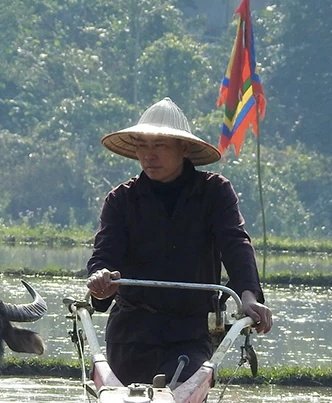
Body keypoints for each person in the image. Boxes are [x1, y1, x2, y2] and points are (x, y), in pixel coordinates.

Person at [85, 97, 273, 386]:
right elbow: (105, 255)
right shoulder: (121, 200)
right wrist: (101, 281)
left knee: (179, 394)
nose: (149, 155)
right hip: (131, 334)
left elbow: (235, 243)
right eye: (142, 146)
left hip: (190, 332)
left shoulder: (214, 192)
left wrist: (248, 297)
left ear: (183, 148)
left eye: (159, 145)